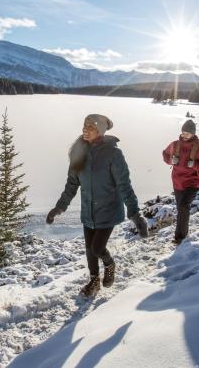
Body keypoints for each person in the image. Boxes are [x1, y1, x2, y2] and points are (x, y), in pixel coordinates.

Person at [46, 114, 148, 297]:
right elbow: (71, 185)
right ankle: (94, 280)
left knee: (97, 248)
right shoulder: (79, 153)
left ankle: (109, 264)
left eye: (90, 127)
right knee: (89, 250)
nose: (85, 130)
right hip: (88, 211)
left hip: (108, 211)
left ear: (100, 130)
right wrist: (59, 207)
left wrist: (135, 214)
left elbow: (124, 185)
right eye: (84, 126)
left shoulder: (113, 154)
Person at [162, 119, 199, 244]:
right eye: (183, 132)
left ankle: (180, 237)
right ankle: (181, 234)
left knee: (184, 207)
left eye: (188, 133)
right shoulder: (175, 145)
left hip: (192, 182)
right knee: (181, 208)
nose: (185, 135)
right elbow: (165, 154)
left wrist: (195, 165)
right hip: (177, 181)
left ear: (193, 134)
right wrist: (170, 161)